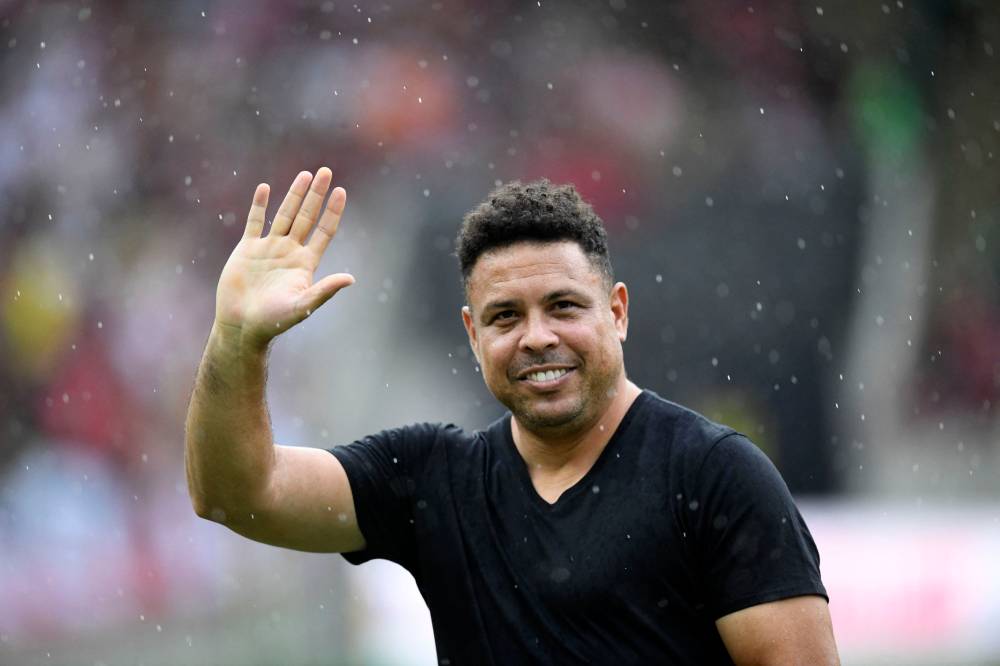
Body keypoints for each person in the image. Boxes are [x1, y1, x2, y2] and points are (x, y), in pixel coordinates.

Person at [185, 167, 840, 665]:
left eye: (563, 306)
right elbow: (237, 493)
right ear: (472, 335)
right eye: (506, 317)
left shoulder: (714, 478)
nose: (536, 337)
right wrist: (236, 342)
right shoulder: (432, 479)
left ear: (616, 312)